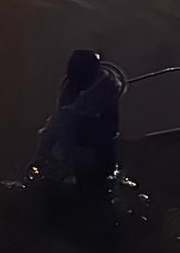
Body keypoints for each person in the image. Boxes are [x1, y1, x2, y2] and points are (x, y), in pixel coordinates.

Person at [29, 50, 125, 191]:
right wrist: (41, 154)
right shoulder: (71, 89)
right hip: (74, 158)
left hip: (95, 159)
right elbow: (59, 120)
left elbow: (104, 133)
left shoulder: (104, 95)